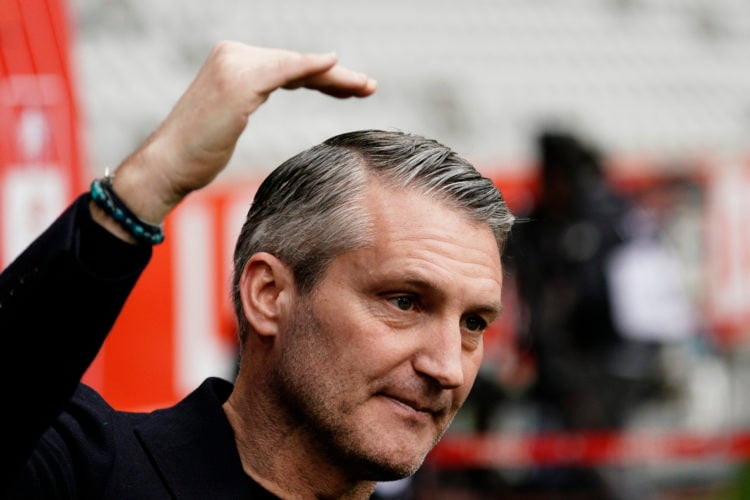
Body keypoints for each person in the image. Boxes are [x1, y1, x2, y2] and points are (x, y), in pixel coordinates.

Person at [1, 41, 515, 499]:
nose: (448, 368)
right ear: (268, 294)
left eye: (473, 323)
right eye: (404, 301)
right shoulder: (82, 468)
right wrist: (152, 180)